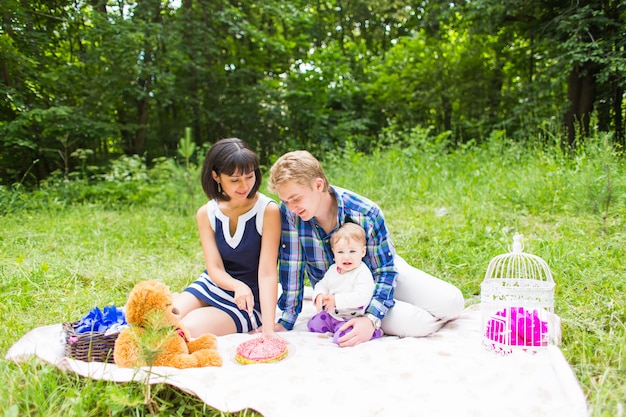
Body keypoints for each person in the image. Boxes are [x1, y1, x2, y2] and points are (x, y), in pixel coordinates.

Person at [268, 150, 465, 347]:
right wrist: (287, 319)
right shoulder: (290, 213)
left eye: (296, 198)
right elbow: (292, 265)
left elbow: (385, 270)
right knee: (415, 325)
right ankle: (407, 312)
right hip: (343, 294)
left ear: (318, 185)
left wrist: (371, 319)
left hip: (379, 273)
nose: (291, 207)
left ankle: (399, 304)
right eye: (285, 201)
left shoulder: (365, 211)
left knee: (452, 302)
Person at [173, 138, 281, 338]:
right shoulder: (206, 213)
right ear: (216, 176)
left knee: (186, 329)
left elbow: (267, 272)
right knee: (164, 318)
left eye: (249, 177)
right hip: (214, 284)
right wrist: (236, 285)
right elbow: (214, 268)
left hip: (250, 300)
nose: (244, 185)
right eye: (234, 180)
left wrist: (268, 329)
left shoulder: (267, 210)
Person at [307, 222, 383, 345]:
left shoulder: (362, 272)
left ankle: (374, 332)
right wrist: (319, 294)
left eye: (352, 251)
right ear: (334, 253)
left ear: (363, 252)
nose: (346, 257)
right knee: (312, 324)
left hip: (352, 318)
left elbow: (362, 297)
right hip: (333, 315)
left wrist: (336, 300)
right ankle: (334, 326)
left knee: (341, 339)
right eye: (341, 252)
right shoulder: (333, 270)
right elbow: (322, 284)